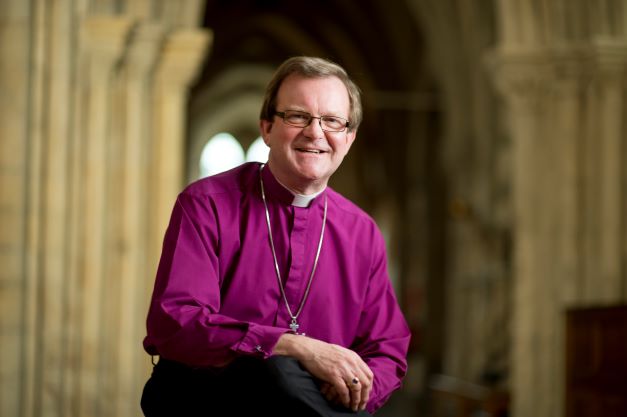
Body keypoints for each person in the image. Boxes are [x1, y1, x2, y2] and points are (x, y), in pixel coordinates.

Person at [141, 56, 411, 417]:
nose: (315, 132)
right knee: (276, 369)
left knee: (289, 379)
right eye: (298, 116)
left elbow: (387, 347)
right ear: (267, 128)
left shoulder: (361, 231)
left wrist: (355, 383)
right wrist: (293, 347)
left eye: (332, 121)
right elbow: (176, 322)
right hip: (211, 401)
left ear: (349, 138)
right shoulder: (206, 204)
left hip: (314, 404)